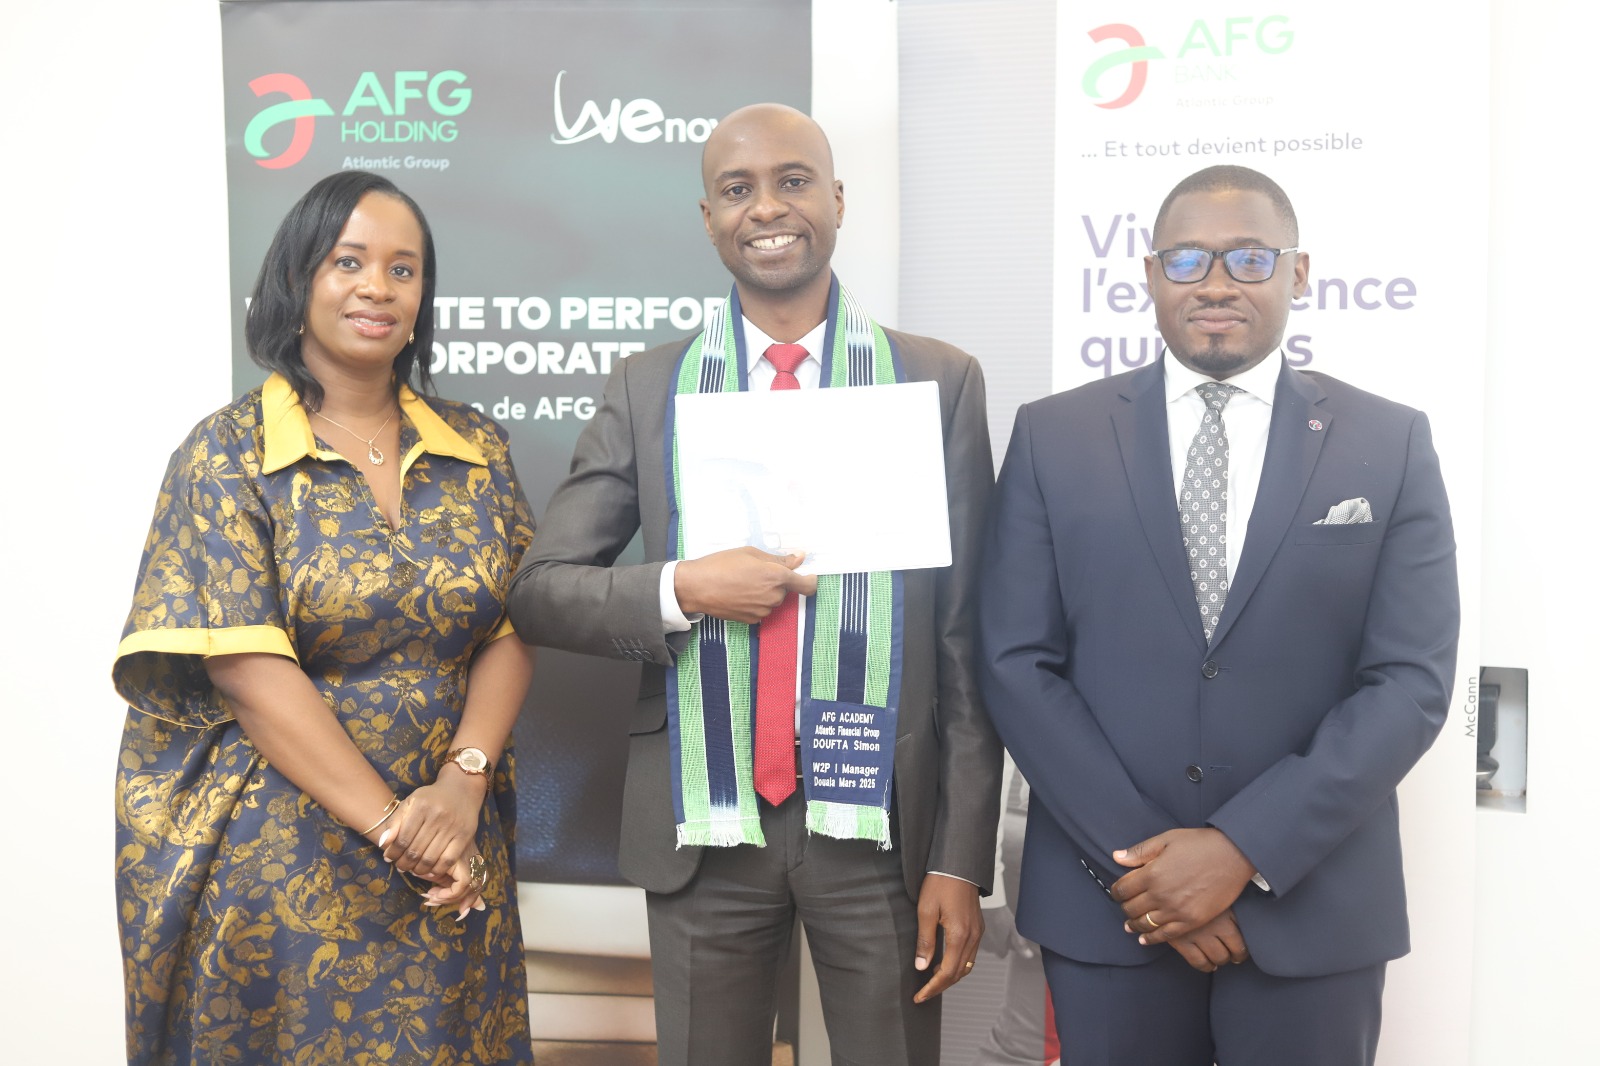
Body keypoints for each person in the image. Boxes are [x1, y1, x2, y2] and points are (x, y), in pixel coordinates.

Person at [506, 103, 1002, 1066]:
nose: (767, 207)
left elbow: (966, 637)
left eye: (793, 180)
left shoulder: (934, 382)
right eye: (738, 190)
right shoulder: (650, 387)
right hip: (706, 822)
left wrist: (959, 857)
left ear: (837, 200)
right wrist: (682, 588)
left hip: (883, 822)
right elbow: (542, 589)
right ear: (708, 218)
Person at [978, 165, 1459, 1065]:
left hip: (1311, 910)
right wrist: (1156, 873)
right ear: (1150, 274)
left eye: (1248, 258)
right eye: (1188, 259)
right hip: (1113, 910)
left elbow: (1410, 682)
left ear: (1298, 273)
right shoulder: (1054, 436)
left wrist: (1241, 851)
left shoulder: (1389, 441)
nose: (1216, 283)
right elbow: (1015, 663)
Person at [113, 171, 537, 1064]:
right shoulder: (225, 454)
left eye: (403, 269)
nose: (377, 287)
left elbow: (513, 629)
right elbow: (249, 672)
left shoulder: (477, 446)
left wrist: (461, 787)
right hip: (282, 849)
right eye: (348, 262)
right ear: (296, 279)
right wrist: (396, 830)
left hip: (452, 840)